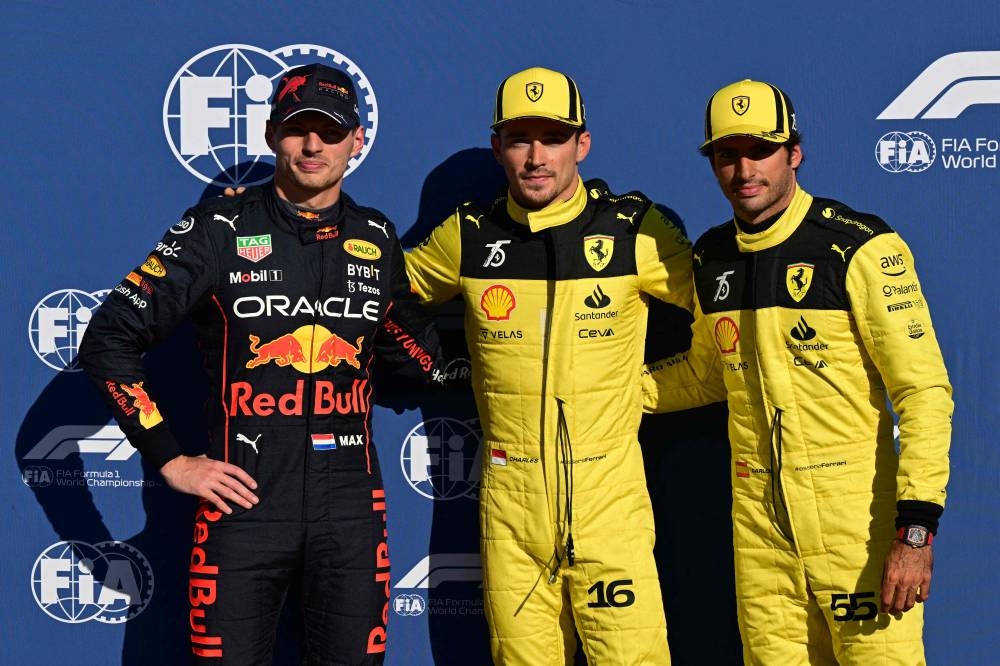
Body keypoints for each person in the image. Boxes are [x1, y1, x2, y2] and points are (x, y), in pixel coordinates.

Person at [79, 63, 442, 665]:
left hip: (351, 513)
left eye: (330, 130)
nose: (313, 145)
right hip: (243, 505)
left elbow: (415, 356)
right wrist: (170, 456)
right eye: (298, 128)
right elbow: (109, 338)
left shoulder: (376, 238)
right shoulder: (218, 227)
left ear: (356, 140)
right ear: (273, 134)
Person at [643, 79, 953, 665]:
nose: (744, 169)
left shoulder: (860, 248)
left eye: (760, 150)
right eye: (727, 154)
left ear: (794, 152)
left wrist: (915, 535)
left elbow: (925, 394)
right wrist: (611, 393)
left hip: (857, 530)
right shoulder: (712, 257)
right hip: (761, 538)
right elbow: (711, 376)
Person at [404, 66, 693, 665]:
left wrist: (649, 391)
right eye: (519, 139)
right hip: (511, 505)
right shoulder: (468, 236)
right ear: (498, 148)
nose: (536, 158)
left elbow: (733, 312)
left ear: (582, 144)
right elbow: (374, 293)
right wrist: (274, 229)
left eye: (554, 138)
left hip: (608, 500)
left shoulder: (636, 231)